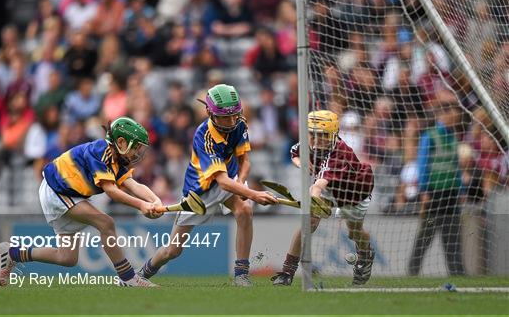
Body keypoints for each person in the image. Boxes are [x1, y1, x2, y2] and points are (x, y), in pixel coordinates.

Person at [139, 84, 278, 287]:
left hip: (231, 180)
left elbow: (244, 160)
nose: (231, 122)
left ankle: (241, 274)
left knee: (245, 210)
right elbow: (220, 181)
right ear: (210, 113)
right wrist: (253, 194)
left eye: (234, 115)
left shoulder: (239, 123)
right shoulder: (203, 136)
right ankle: (141, 274)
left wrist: (241, 182)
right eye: (224, 117)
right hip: (200, 192)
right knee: (173, 250)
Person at [0, 117, 163, 287]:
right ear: (121, 142)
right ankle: (127, 277)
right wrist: (142, 205)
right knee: (106, 223)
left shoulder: (116, 161)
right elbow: (112, 191)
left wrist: (156, 201)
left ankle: (13, 254)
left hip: (66, 193)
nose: (137, 153)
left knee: (67, 258)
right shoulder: (100, 152)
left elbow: (134, 185)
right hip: (57, 190)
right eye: (135, 148)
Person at [271, 110, 375, 286]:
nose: (317, 140)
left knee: (354, 232)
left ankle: (365, 255)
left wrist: (315, 198)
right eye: (313, 134)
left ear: (334, 134)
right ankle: (287, 272)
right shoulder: (311, 143)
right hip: (329, 188)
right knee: (308, 223)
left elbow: (317, 186)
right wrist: (302, 164)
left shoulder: (339, 153)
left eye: (323, 136)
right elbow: (294, 152)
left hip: (354, 191)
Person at [408, 97, 465, 276]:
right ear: (443, 114)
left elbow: (456, 166)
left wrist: (461, 188)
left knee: (453, 234)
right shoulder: (430, 136)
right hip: (434, 194)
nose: (455, 119)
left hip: (451, 193)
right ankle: (413, 269)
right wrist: (424, 190)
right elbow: (422, 163)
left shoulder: (453, 136)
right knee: (427, 233)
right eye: (454, 115)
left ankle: (457, 271)